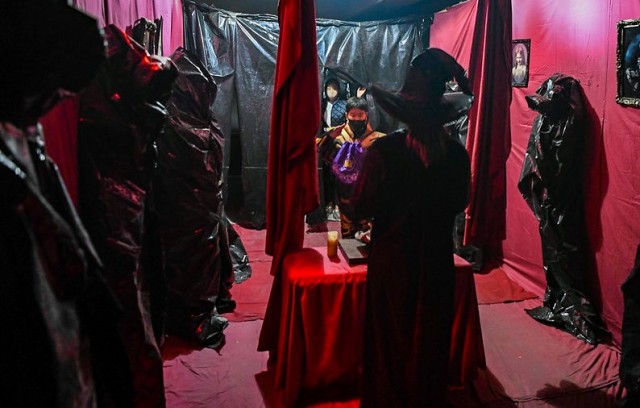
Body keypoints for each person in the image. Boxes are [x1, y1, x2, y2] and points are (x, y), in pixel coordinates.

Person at [351, 48, 472, 407]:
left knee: (389, 348)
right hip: (436, 264)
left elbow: (360, 207)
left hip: (392, 267)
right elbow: (459, 204)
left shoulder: (383, 152)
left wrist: (349, 184)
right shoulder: (456, 155)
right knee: (430, 347)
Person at [320, 96, 385, 238]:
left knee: (368, 235)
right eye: (353, 115)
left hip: (368, 196)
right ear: (346, 115)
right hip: (345, 196)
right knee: (348, 236)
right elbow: (324, 154)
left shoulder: (377, 139)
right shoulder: (338, 136)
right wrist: (329, 139)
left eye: (360, 115)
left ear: (366, 115)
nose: (356, 119)